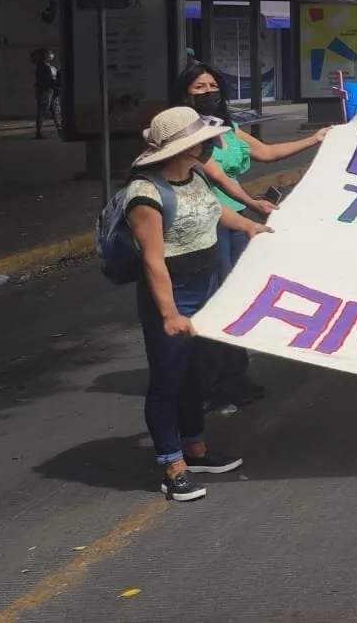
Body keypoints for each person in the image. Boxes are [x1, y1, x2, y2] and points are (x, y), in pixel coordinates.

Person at [125, 106, 271, 501]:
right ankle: (172, 466)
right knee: (168, 380)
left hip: (207, 287)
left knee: (195, 373)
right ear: (184, 148)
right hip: (175, 293)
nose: (214, 143)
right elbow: (154, 261)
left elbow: (213, 208)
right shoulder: (146, 195)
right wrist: (170, 313)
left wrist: (250, 224)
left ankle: (195, 449)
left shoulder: (195, 175)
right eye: (205, 140)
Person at [173, 63, 329, 412]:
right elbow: (212, 175)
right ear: (185, 94)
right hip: (208, 222)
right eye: (199, 87)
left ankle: (233, 373)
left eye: (213, 85)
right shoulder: (184, 133)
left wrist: (314, 139)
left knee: (238, 294)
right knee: (216, 299)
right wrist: (252, 202)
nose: (208, 92)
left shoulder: (229, 129)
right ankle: (212, 379)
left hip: (237, 220)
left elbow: (267, 153)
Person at [33, 47, 59, 139]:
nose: (51, 55)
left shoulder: (46, 66)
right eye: (49, 53)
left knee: (53, 110)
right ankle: (39, 132)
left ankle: (59, 129)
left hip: (48, 90)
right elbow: (47, 80)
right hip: (45, 90)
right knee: (43, 111)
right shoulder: (42, 66)